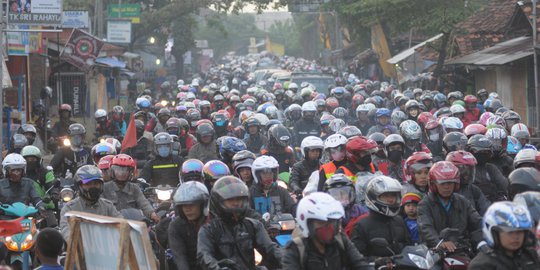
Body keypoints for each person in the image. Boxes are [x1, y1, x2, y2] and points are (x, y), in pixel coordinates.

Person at [197, 176, 282, 270]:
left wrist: (289, 260)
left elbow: (270, 249)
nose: (235, 203)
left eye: (238, 199)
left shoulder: (253, 225)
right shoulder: (209, 229)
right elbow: (204, 256)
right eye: (230, 200)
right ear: (218, 202)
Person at [282, 192, 372, 270]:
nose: (329, 227)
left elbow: (361, 265)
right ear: (307, 223)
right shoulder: (296, 249)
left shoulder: (341, 240)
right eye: (322, 222)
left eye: (332, 222)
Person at [417, 161, 483, 250]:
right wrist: (439, 243)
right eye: (442, 183)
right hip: (434, 252)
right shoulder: (424, 204)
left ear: (455, 184)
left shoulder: (462, 201)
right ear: (433, 184)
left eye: (450, 183)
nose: (447, 187)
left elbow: (478, 222)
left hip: (462, 249)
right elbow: (426, 228)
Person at [351, 175, 411, 259]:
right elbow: (357, 258)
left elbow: (409, 247)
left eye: (393, 195)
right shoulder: (361, 226)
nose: (390, 200)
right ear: (373, 198)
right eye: (385, 196)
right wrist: (379, 261)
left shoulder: (399, 220)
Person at [469, 201, 540, 270]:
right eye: (510, 232)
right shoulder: (482, 265)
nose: (516, 237)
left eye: (520, 232)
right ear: (495, 233)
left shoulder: (530, 255)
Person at [59, 165, 121, 240]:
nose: (93, 187)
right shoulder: (69, 209)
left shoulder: (108, 206)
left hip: (107, 248)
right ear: (80, 186)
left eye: (96, 184)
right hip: (79, 249)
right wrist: (74, 242)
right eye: (88, 184)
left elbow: (121, 225)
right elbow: (66, 231)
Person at [102, 154, 159, 223]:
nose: (121, 173)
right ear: (112, 171)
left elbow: (144, 204)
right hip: (111, 225)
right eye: (118, 170)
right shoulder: (104, 188)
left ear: (131, 172)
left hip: (133, 224)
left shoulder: (134, 188)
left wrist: (152, 214)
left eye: (125, 170)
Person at [168, 181, 210, 270]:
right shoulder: (175, 226)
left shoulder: (214, 223)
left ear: (202, 204)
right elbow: (180, 257)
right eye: (184, 205)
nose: (187, 209)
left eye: (191, 204)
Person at [446, 150, 491, 215]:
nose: (467, 174)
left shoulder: (473, 190)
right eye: (463, 169)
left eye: (470, 169)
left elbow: (486, 208)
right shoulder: (445, 189)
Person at [21, 146, 56, 210]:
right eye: (27, 159)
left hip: (43, 206)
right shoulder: (18, 174)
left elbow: (51, 184)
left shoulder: (45, 173)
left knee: (52, 219)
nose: (30, 161)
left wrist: (54, 193)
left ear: (39, 160)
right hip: (21, 208)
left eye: (33, 159)